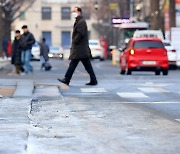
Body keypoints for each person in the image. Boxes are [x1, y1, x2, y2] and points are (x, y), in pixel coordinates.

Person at [58, 7, 97, 86]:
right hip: (81, 49)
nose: (73, 13)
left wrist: (75, 41)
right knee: (87, 66)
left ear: (79, 12)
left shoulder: (81, 22)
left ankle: (67, 79)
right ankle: (93, 80)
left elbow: (80, 34)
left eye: (74, 11)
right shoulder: (79, 21)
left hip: (80, 48)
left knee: (73, 64)